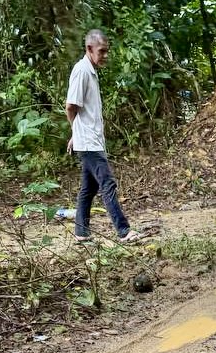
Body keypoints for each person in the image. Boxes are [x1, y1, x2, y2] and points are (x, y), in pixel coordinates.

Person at [66, 29, 142, 243]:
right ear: (89, 49)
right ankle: (124, 231)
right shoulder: (81, 71)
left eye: (107, 51)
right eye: (102, 51)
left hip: (90, 139)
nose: (105, 55)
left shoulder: (91, 70)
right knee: (107, 184)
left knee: (88, 189)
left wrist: (75, 134)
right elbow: (71, 106)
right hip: (88, 142)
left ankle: (81, 232)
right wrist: (76, 132)